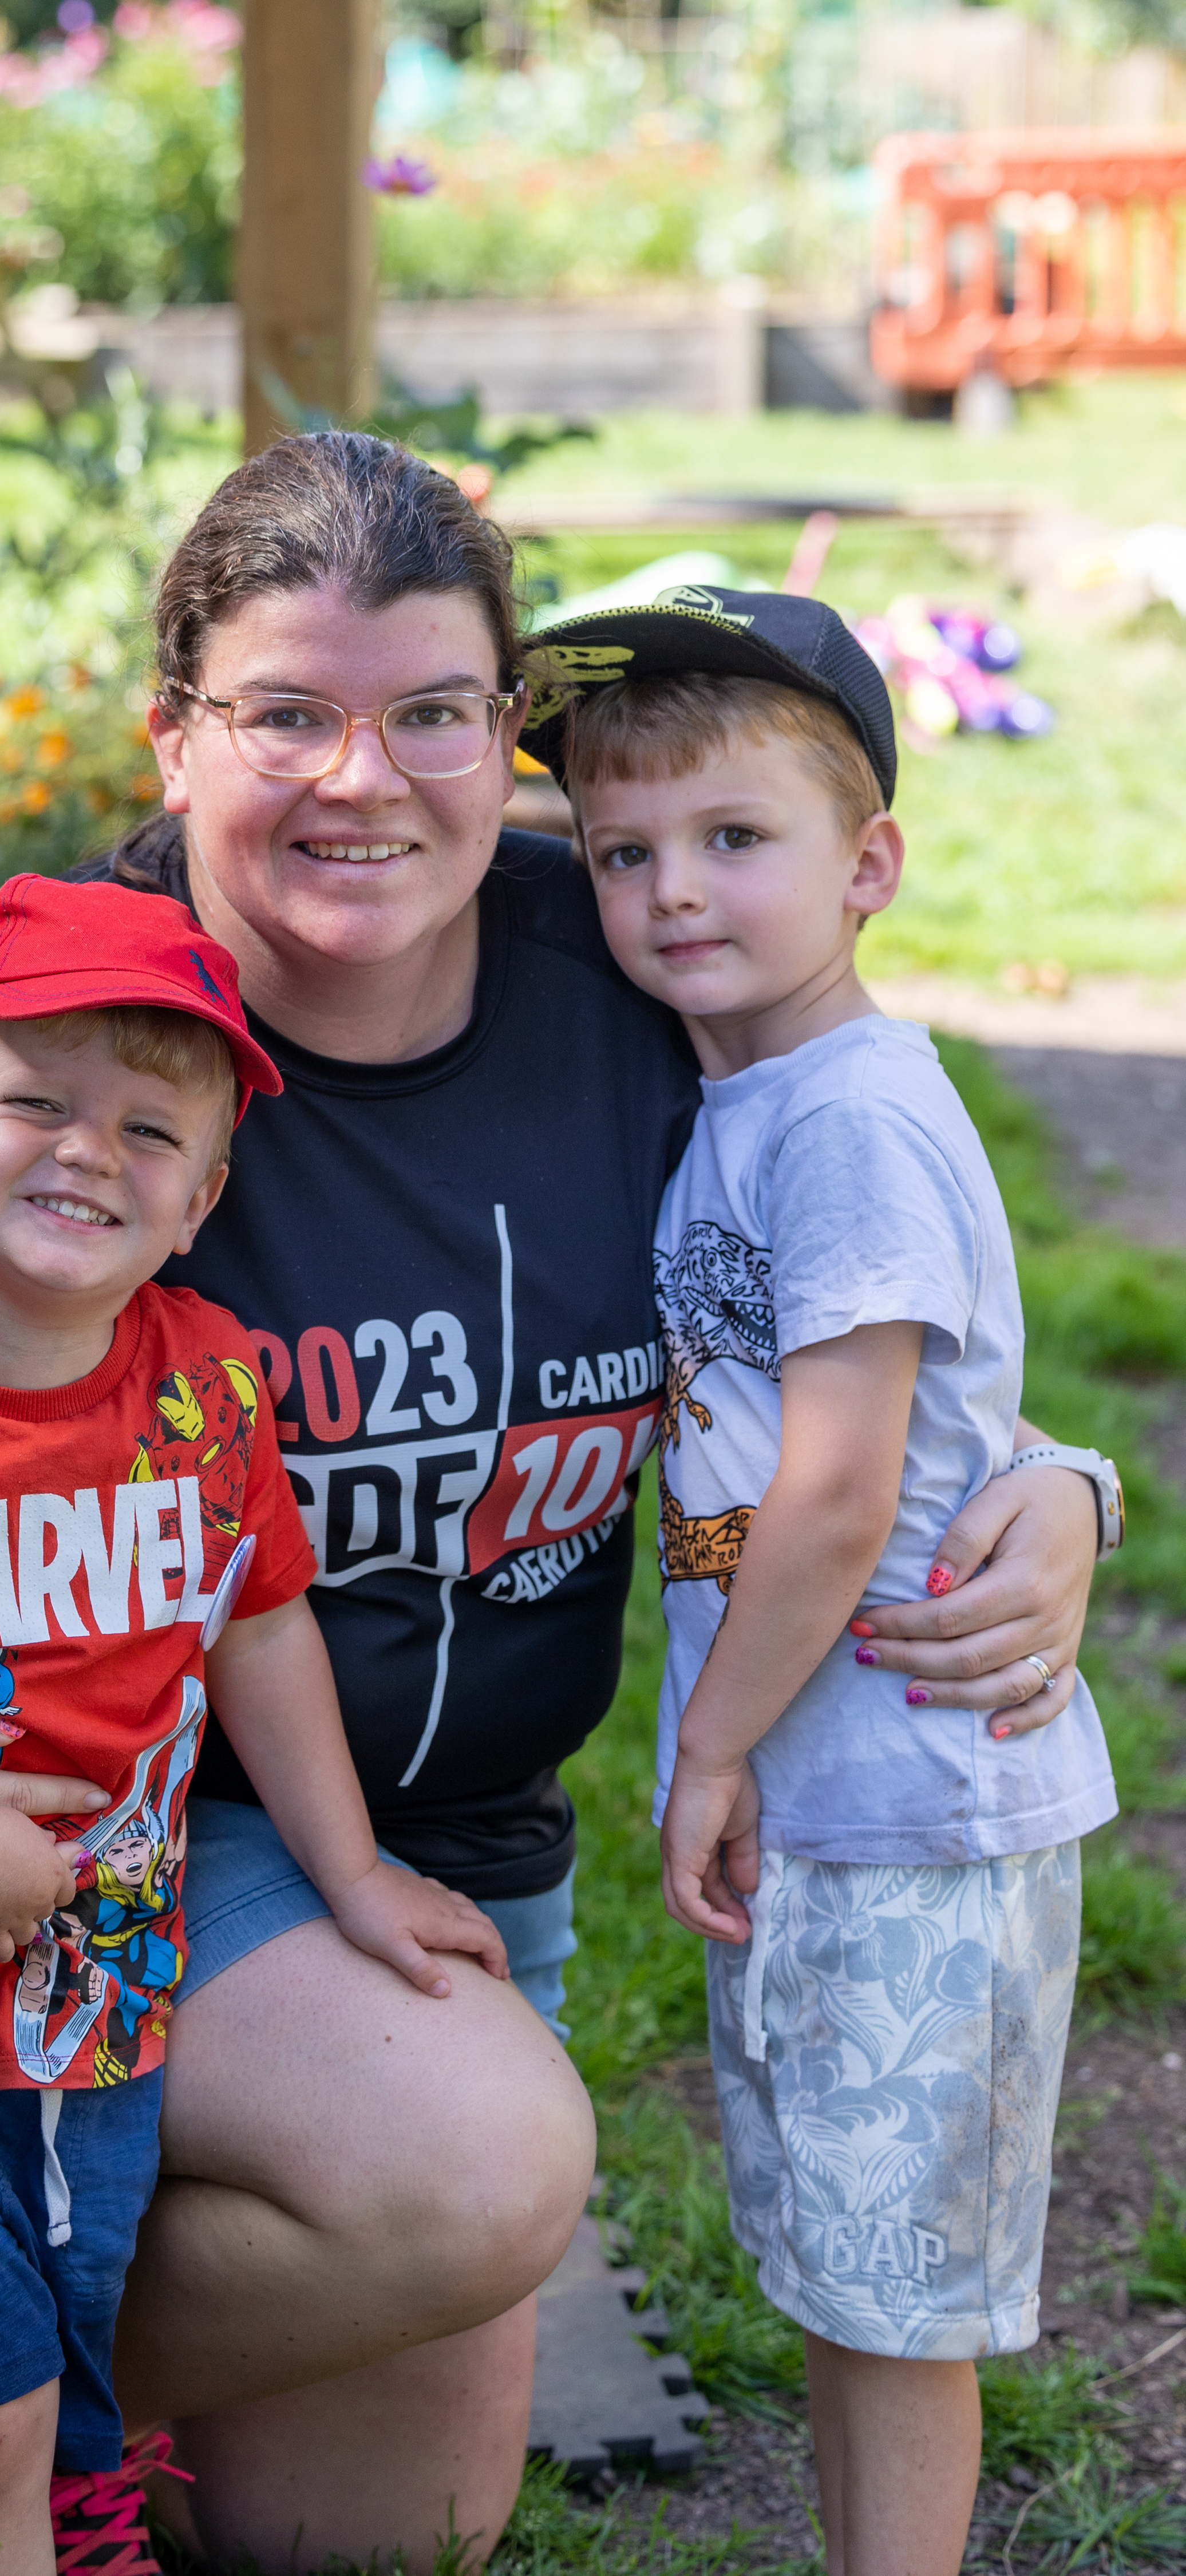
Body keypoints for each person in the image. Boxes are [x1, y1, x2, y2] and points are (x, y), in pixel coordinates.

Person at [0, 433, 1106, 2574]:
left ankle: (40, 2304)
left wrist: (1053, 1483)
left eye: (436, 713)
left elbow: (861, 1260)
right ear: (174, 737)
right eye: (286, 714)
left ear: (508, 744)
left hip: (442, 1857)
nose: (366, 780)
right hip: (82, 1834)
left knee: (389, 2532)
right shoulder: (38, 1061)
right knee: (466, 2171)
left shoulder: (628, 972)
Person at [0, 874, 505, 2573]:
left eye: (150, 1129)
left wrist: (351, 1874)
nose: (89, 1152)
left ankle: (62, 2508)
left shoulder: (204, 1380)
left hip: (102, 1983)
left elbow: (261, 1621)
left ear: (204, 1196)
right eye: (37, 1102)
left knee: (79, 2297)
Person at [528, 584, 1121, 2576]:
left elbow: (850, 1483)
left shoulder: (850, 1116)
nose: (672, 893)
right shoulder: (755, 1095)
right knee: (843, 2275)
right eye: (625, 853)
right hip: (833, 1788)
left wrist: (705, 1748)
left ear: (870, 866)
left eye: (735, 839)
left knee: (897, 2309)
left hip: (910, 1800)